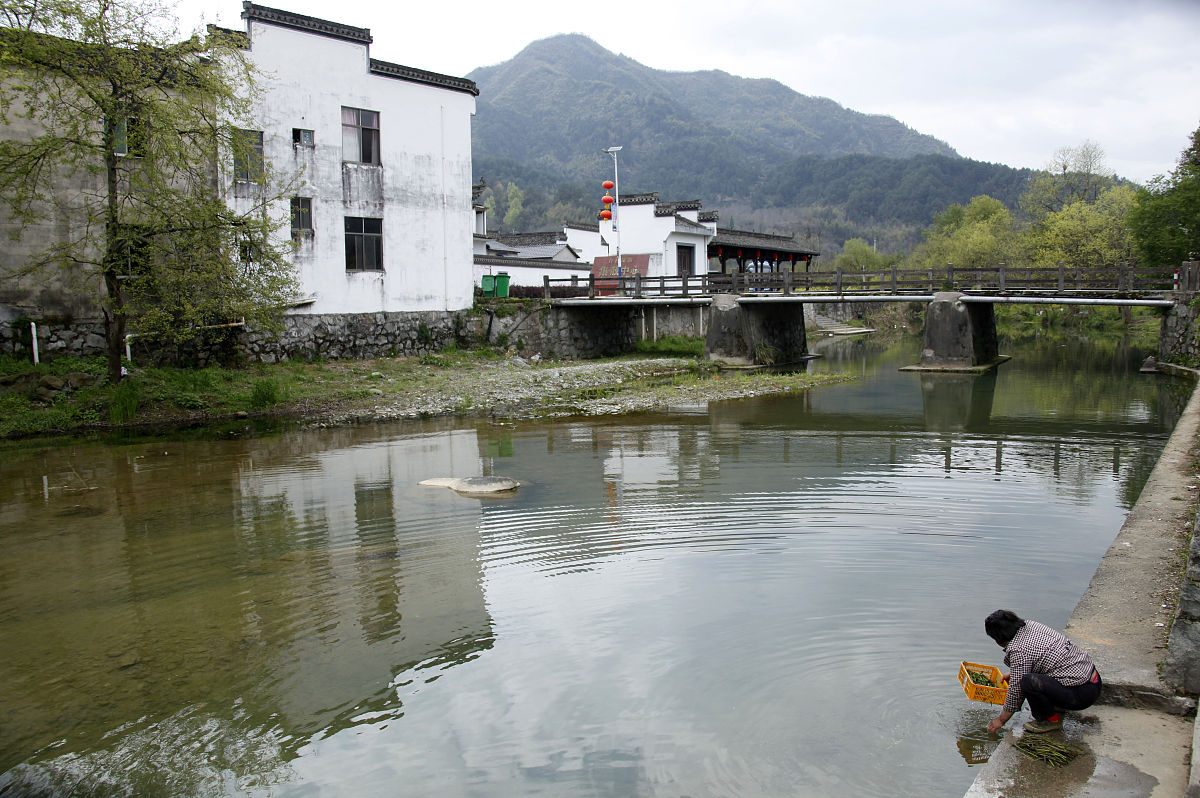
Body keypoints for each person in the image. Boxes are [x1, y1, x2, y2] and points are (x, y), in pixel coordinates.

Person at [984, 609, 1102, 734]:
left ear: (998, 639)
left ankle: (1050, 720)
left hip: (1082, 694)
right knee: (1027, 678)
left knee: (1028, 682)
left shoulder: (1018, 650)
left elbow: (1016, 691)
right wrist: (1015, 672)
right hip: (1093, 680)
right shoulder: (1031, 625)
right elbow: (1042, 658)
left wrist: (1001, 720)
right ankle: (1057, 704)